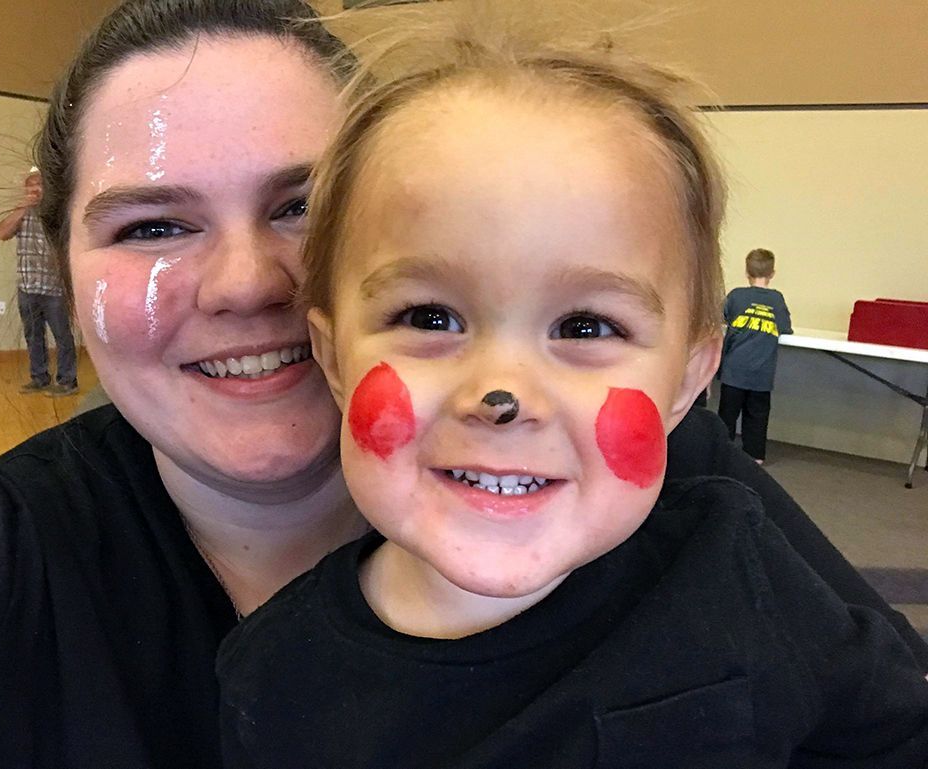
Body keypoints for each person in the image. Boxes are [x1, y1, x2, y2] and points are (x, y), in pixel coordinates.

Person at [0, 2, 923, 768]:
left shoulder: (668, 498)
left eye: (304, 206)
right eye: (153, 225)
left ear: (687, 379)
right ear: (61, 264)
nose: (248, 281)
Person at [217, 7, 928, 767]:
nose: (501, 395)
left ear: (687, 381)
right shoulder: (273, 676)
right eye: (429, 316)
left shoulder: (736, 572)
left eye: (586, 327)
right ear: (333, 358)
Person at [0, 168, 79, 396]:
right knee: (33, 335)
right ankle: (39, 378)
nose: (34, 189)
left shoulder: (56, 214)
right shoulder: (21, 213)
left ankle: (67, 381)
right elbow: (2, 233)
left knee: (62, 335)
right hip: (27, 287)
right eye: (30, 186)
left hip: (54, 288)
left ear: (46, 188)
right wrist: (24, 207)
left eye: (38, 185)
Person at [717, 248, 793, 463]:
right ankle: (755, 456)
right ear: (772, 273)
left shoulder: (736, 296)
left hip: (734, 372)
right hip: (762, 374)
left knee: (727, 415)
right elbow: (786, 328)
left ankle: (722, 453)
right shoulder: (777, 299)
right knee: (757, 416)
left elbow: (720, 317)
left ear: (747, 272)